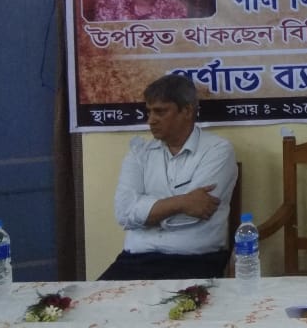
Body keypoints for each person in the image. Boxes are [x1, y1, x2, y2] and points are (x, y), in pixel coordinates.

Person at [99, 73, 237, 280]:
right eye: (149, 112)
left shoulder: (217, 150)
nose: (151, 120)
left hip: (194, 260)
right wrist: (182, 202)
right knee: (88, 300)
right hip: (135, 260)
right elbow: (124, 212)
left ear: (187, 111)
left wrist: (146, 214)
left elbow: (198, 210)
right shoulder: (139, 153)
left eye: (160, 111)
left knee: (183, 303)